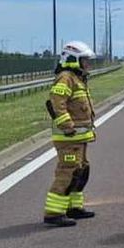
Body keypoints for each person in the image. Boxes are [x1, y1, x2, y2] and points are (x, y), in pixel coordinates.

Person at [43, 41, 97, 227]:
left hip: (79, 137)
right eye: (85, 61)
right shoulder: (66, 78)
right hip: (68, 137)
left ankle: (74, 207)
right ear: (73, 60)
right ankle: (54, 212)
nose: (88, 64)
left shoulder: (77, 78)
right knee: (67, 172)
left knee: (80, 171)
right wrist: (67, 125)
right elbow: (57, 102)